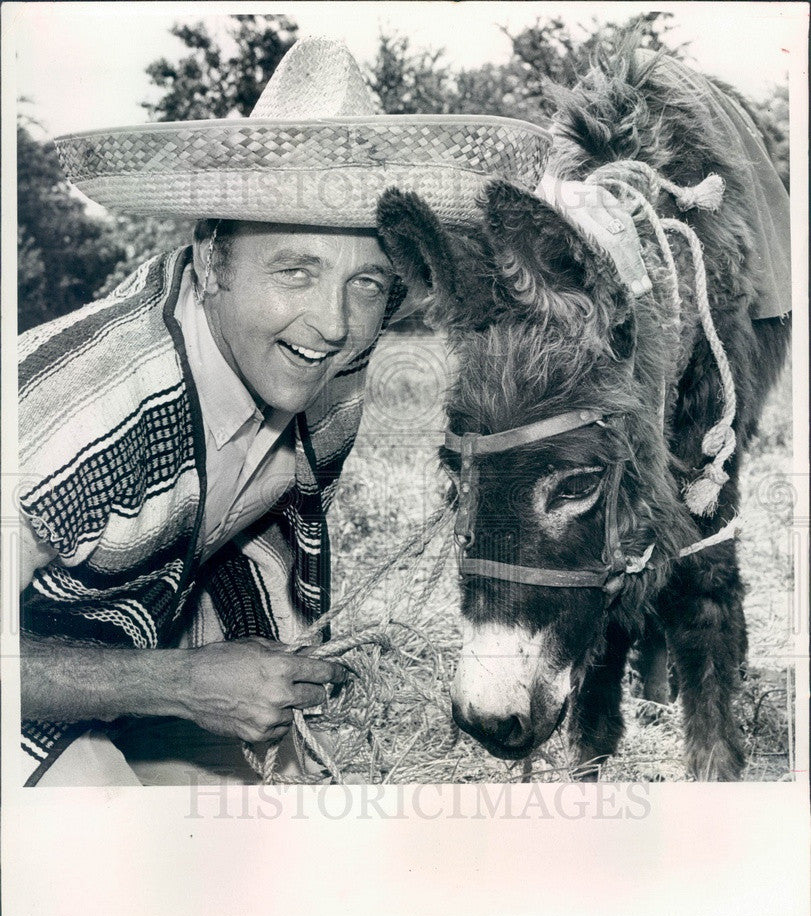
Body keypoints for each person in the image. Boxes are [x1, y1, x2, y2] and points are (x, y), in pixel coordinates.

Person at [17, 37, 552, 786]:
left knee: (278, 822)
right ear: (210, 260)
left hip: (123, 661)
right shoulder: (84, 409)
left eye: (366, 283)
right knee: (112, 832)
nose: (332, 324)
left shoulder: (323, 373)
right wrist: (177, 685)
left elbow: (232, 531)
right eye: (294, 270)